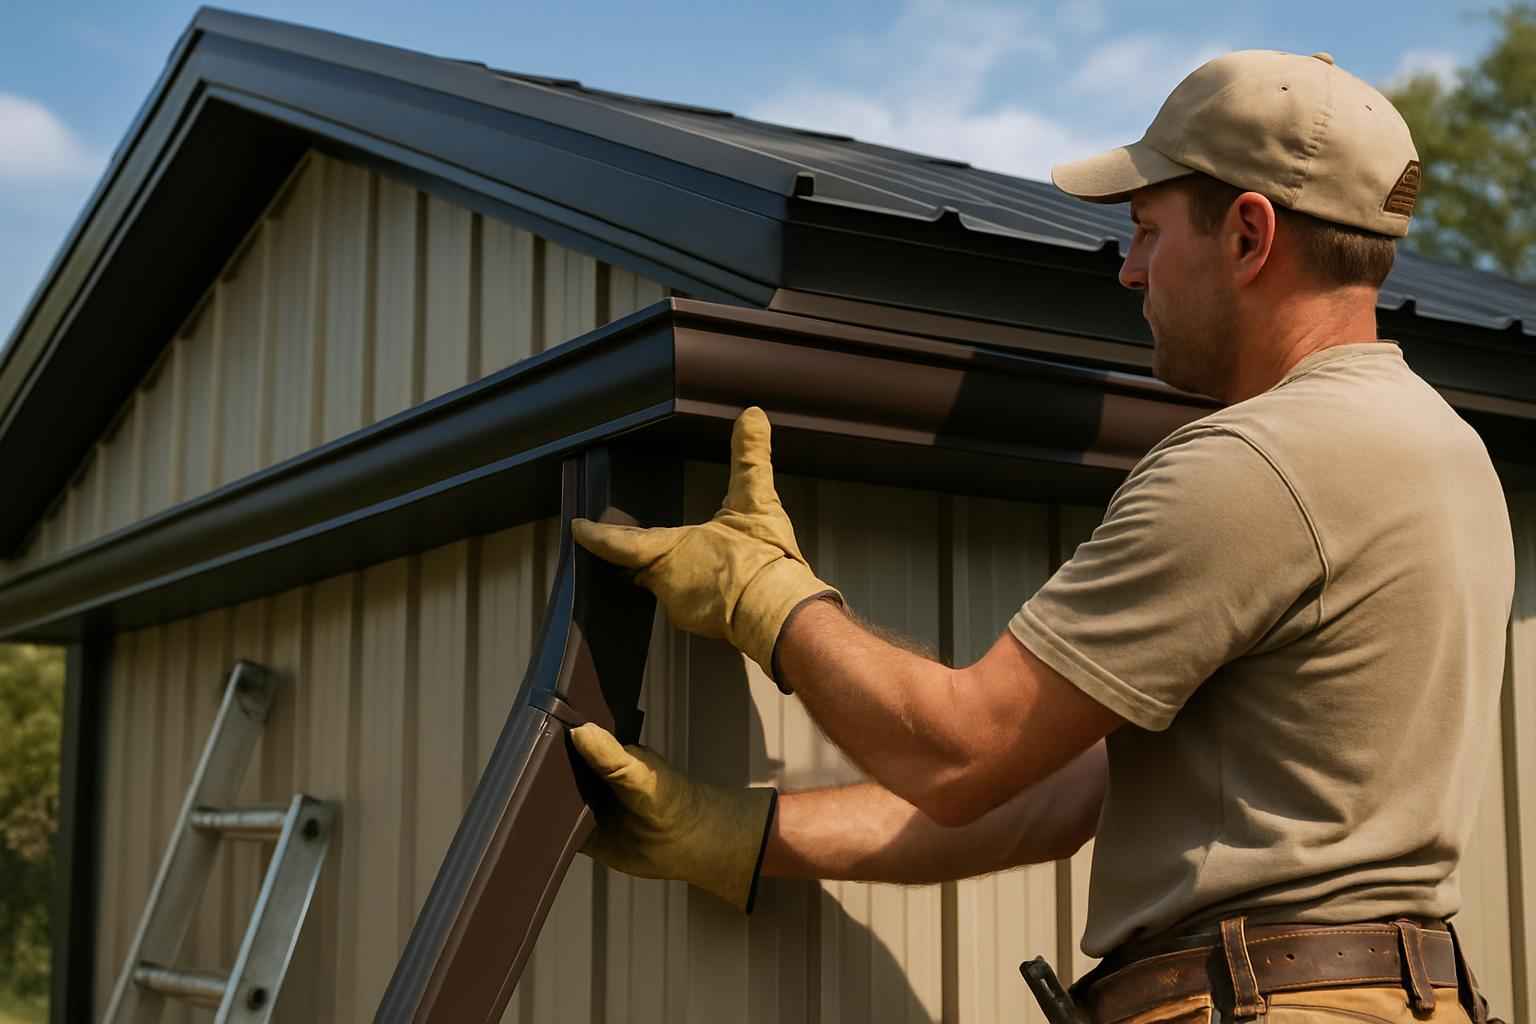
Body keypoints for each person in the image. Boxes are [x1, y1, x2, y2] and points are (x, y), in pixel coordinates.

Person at [567, 49, 1516, 1023]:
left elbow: (962, 754)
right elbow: (1059, 790)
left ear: (1247, 235)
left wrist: (764, 595)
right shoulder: (1448, 456)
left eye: (1147, 230)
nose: (1128, 268)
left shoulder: (1260, 465)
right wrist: (739, 835)